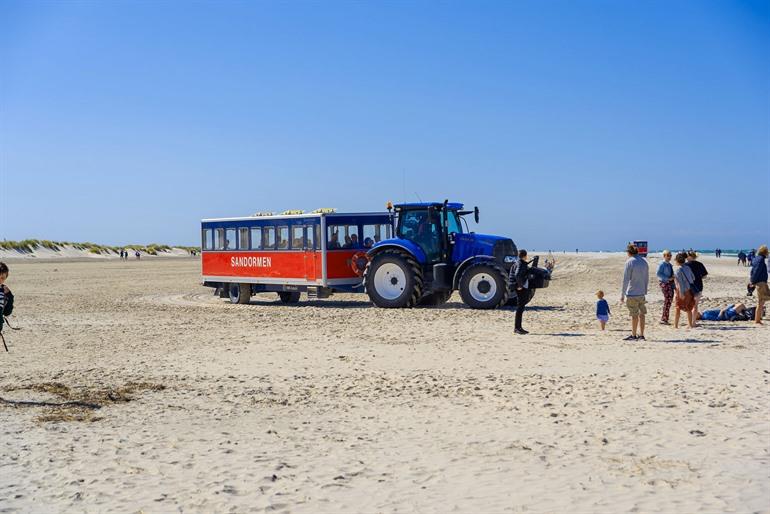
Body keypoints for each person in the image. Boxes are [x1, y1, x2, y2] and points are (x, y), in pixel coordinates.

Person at [620, 244, 649, 341]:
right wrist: (645, 290)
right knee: (642, 314)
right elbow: (646, 278)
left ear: (629, 252)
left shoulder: (629, 262)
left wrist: (622, 294)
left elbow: (625, 279)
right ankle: (642, 334)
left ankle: (633, 334)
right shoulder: (644, 261)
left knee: (634, 314)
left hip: (632, 292)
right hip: (641, 292)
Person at [673, 252, 696, 329]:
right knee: (689, 308)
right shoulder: (688, 268)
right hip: (689, 290)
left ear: (677, 261)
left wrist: (681, 293)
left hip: (681, 291)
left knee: (677, 308)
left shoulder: (678, 271)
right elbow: (693, 278)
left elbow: (680, 284)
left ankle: (676, 325)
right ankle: (690, 324)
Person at [510, 249, 530, 335]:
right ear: (525, 256)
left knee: (520, 307)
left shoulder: (517, 262)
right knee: (520, 307)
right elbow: (517, 275)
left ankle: (519, 327)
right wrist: (520, 286)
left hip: (515, 285)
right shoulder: (521, 264)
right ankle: (517, 328)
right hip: (518, 287)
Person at [684, 251, 708, 319]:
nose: (686, 257)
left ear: (690, 256)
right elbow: (705, 276)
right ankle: (693, 322)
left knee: (689, 305)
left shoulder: (685, 265)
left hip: (688, 287)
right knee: (695, 305)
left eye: (687, 256)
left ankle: (690, 322)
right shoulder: (700, 264)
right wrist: (698, 277)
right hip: (698, 286)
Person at [749, 245, 769, 324]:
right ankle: (757, 320)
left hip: (760, 282)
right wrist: (753, 282)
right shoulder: (760, 260)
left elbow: (752, 271)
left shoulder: (756, 259)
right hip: (761, 283)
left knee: (762, 301)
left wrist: (752, 281)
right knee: (761, 301)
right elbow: (756, 271)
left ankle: (758, 318)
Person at [656, 250, 675, 324]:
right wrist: (667, 279)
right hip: (664, 283)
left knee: (669, 300)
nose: (669, 257)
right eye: (668, 255)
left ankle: (665, 318)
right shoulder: (661, 264)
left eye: (670, 255)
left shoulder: (670, 264)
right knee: (667, 300)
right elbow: (658, 274)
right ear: (664, 256)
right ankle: (664, 319)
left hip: (670, 283)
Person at [0, 262, 12, 333]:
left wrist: (9, 295)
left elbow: (7, 312)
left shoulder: (5, 292)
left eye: (2, 278)